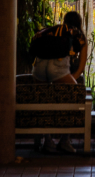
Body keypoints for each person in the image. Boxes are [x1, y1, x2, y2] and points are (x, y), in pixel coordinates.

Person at [29, 11, 90, 153]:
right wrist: (70, 79)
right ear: (79, 23)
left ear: (64, 21)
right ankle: (65, 140)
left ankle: (48, 140)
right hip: (58, 67)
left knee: (42, 103)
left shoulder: (53, 30)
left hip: (38, 67)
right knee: (77, 97)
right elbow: (81, 68)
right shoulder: (78, 35)